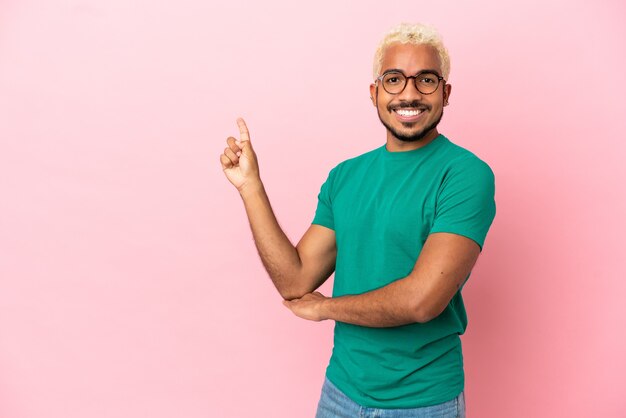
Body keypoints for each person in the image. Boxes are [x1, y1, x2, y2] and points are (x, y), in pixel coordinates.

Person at [220, 22, 495, 418]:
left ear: (446, 93)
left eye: (427, 80)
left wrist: (327, 308)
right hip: (340, 393)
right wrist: (251, 188)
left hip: (423, 402)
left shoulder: (465, 174)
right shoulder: (345, 176)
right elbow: (295, 280)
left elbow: (423, 301)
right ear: (375, 93)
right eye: (394, 79)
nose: (410, 93)